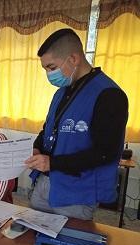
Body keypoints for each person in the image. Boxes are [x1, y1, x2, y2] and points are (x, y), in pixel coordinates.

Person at [25, 28, 128, 220]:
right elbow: (48, 129)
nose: (49, 74)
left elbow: (106, 152)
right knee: (32, 239)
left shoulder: (109, 95)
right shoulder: (62, 92)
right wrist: (37, 148)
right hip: (45, 183)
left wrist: (53, 163)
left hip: (76, 194)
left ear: (73, 59)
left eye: (51, 67)